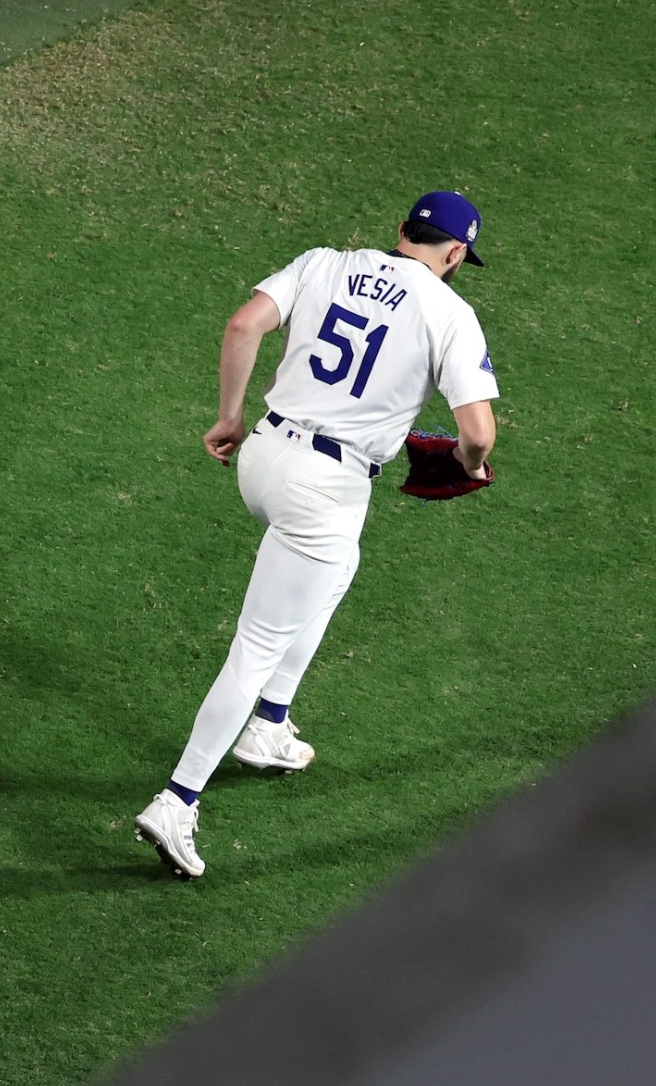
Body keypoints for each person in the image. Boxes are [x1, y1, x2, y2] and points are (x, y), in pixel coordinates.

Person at [133, 192, 500, 880]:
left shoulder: (325, 262)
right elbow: (478, 433)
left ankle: (271, 724)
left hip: (264, 456)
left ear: (401, 232)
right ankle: (177, 801)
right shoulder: (451, 313)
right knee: (257, 644)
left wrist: (228, 418)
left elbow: (244, 326)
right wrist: (466, 464)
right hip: (324, 490)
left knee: (339, 565)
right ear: (455, 255)